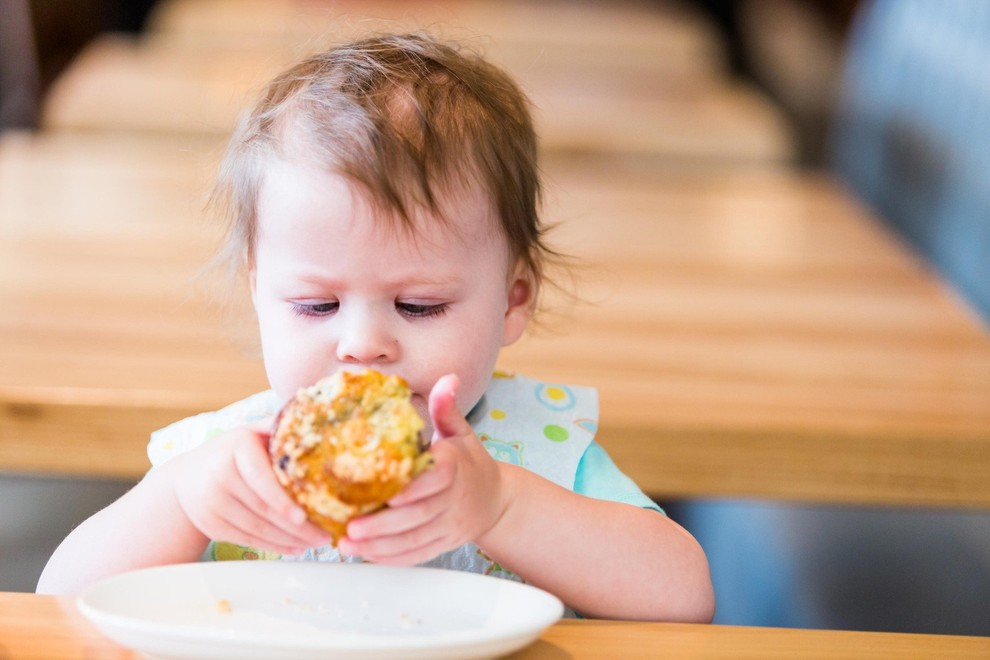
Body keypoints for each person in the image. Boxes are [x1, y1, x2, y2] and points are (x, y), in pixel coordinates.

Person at [37, 32, 713, 621]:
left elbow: (683, 596)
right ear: (258, 291)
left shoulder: (533, 452)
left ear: (513, 299)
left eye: (418, 306)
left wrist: (506, 508)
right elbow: (60, 603)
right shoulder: (233, 459)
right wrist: (180, 501)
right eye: (314, 306)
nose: (362, 346)